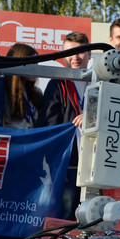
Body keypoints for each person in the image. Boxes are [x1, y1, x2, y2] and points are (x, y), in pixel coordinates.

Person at [0, 43, 44, 239]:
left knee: (21, 221)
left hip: (30, 167)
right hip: (6, 167)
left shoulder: (34, 94)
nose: (37, 68)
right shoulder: (2, 90)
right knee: (4, 219)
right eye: (32, 63)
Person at [41, 31, 91, 220]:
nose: (76, 57)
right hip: (68, 164)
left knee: (92, 217)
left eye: (81, 51)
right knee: (66, 216)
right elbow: (49, 125)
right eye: (70, 52)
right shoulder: (57, 84)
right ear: (63, 56)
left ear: (89, 55)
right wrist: (56, 164)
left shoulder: (100, 82)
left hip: (96, 163)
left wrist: (91, 117)